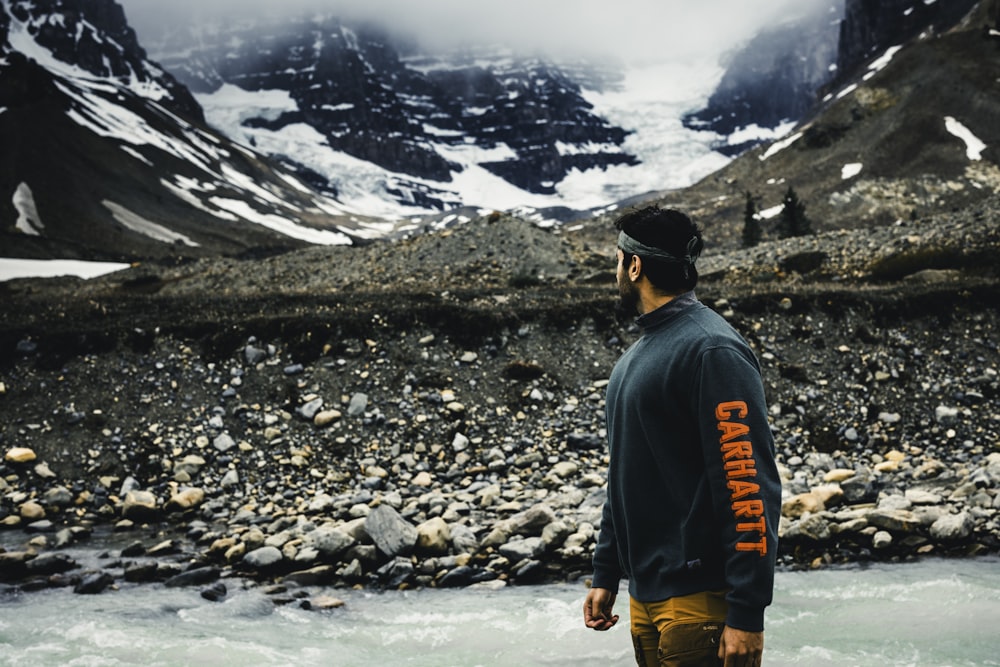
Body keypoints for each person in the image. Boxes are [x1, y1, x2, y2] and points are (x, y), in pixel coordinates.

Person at [583, 205, 781, 667]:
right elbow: (624, 475)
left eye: (618, 259)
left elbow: (747, 482)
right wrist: (606, 572)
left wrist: (748, 612)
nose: (616, 270)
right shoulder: (634, 360)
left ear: (634, 266)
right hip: (645, 598)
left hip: (698, 601)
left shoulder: (712, 349)